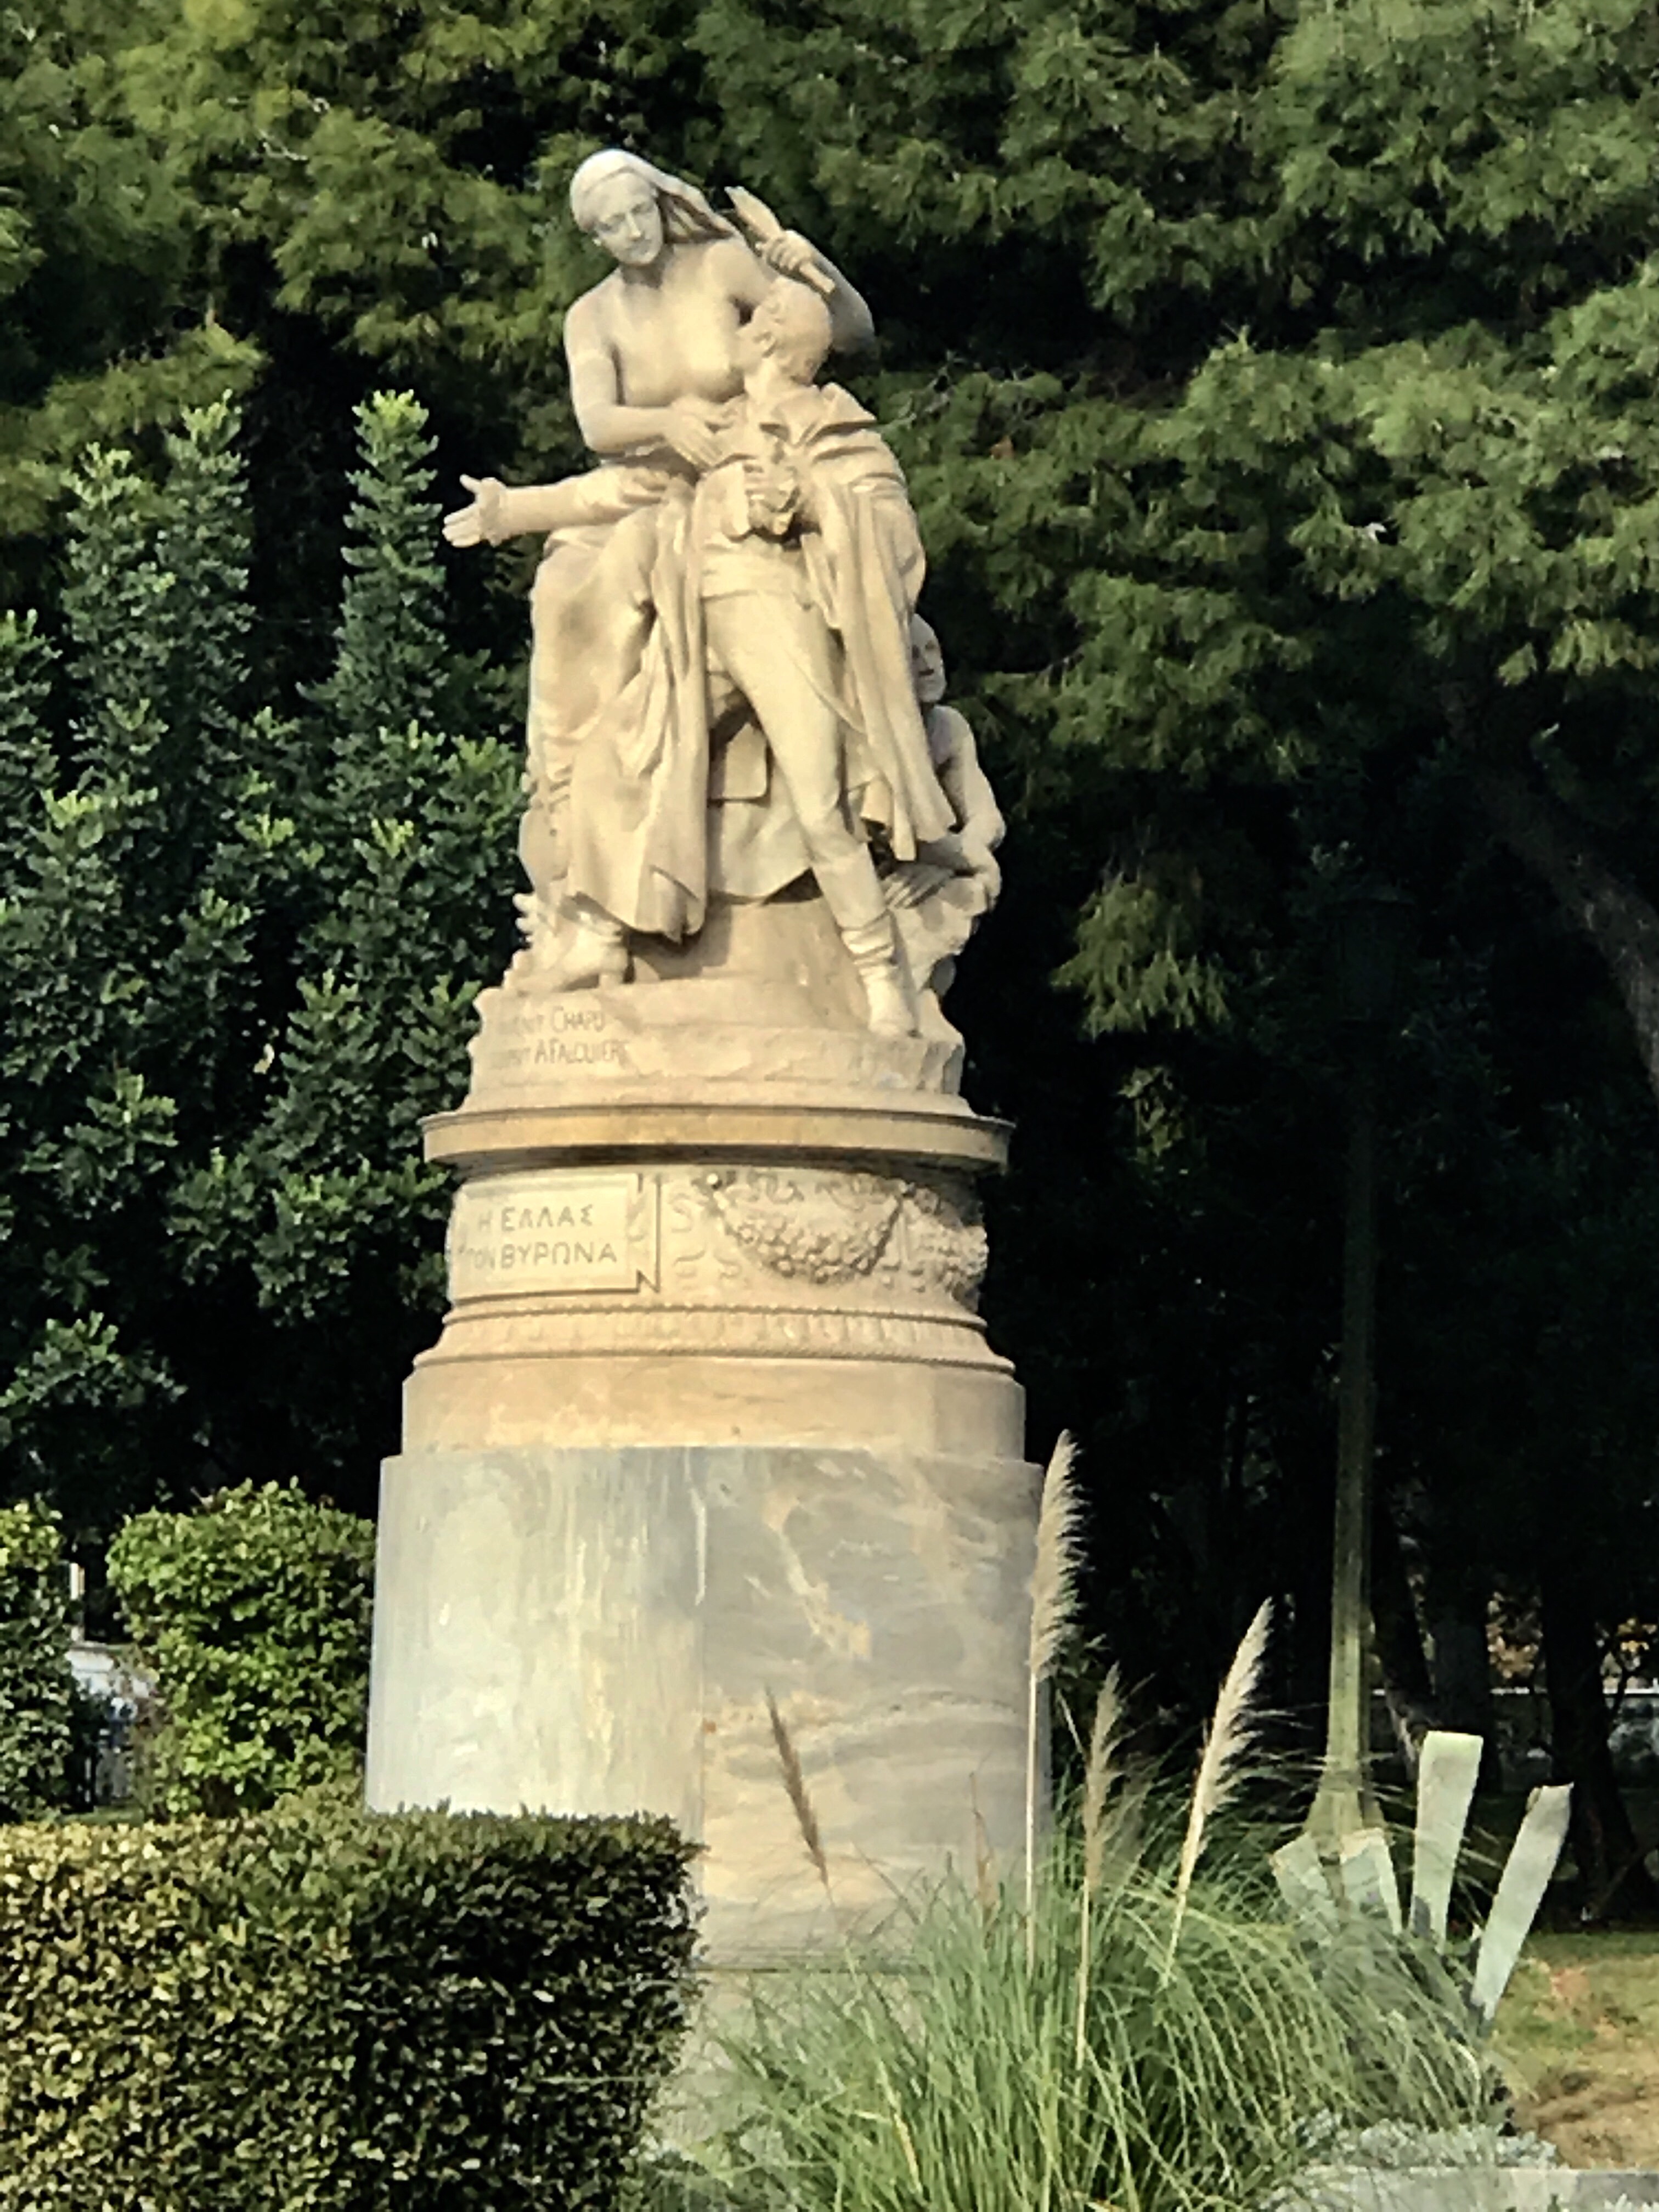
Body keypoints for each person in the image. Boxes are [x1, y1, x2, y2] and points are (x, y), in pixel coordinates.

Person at [443, 150, 875, 989]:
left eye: (640, 212)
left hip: (741, 485)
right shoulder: (593, 316)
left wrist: (805, 263)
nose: (633, 232)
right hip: (643, 485)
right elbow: (598, 423)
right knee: (565, 590)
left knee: (644, 590)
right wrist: (665, 423)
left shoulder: (722, 265)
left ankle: (634, 839)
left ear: (661, 203)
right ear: (594, 237)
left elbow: (840, 334)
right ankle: (572, 837)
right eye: (612, 225)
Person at [882, 617, 1005, 1014]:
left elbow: (988, 819)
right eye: (911, 655)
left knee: (963, 895)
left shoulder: (949, 727)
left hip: (926, 866)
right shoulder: (873, 732)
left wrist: (945, 863)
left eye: (932, 651)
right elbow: (885, 829)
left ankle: (924, 1001)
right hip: (876, 874)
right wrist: (969, 860)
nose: (927, 666)